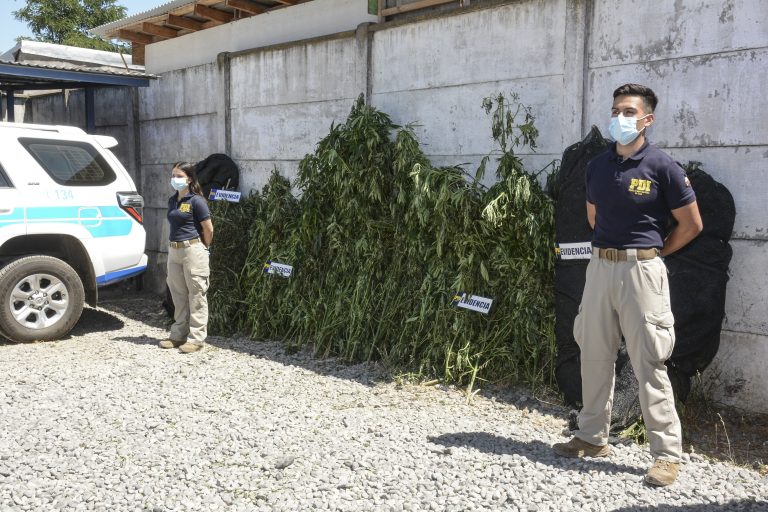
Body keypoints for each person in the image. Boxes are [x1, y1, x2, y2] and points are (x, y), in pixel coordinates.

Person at [552, 84, 703, 487]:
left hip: (642, 272)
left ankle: (666, 455)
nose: (620, 117)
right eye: (616, 110)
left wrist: (653, 255)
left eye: (628, 111)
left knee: (649, 362)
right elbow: (593, 218)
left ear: (647, 119)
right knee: (594, 353)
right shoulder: (597, 166)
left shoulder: (663, 167)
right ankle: (591, 436)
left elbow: (692, 225)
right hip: (600, 268)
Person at [160, 162, 214, 353]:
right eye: (173, 175)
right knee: (178, 295)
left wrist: (203, 247)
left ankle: (196, 339)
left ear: (189, 179)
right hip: (174, 250)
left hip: (192, 249)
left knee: (196, 295)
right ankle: (178, 335)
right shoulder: (172, 200)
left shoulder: (196, 201)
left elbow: (208, 228)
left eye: (179, 176)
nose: (174, 179)